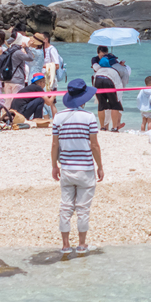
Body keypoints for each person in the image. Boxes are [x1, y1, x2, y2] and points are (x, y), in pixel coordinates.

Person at [51, 79, 105, 254]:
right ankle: (82, 244)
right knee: (83, 209)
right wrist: (100, 166)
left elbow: (54, 145)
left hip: (66, 167)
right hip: (86, 169)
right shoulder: (89, 117)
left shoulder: (58, 118)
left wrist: (54, 166)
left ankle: (65, 245)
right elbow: (94, 145)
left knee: (65, 206)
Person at [92, 51, 130, 132]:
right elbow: (122, 85)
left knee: (101, 104)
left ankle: (102, 127)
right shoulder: (122, 68)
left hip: (97, 79)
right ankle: (114, 127)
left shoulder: (100, 68)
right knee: (115, 105)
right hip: (110, 80)